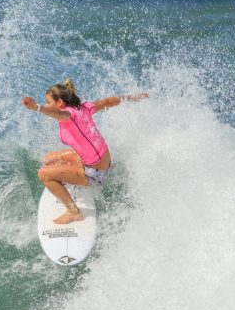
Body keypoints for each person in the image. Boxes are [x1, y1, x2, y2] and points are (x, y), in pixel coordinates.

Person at [21, 79, 148, 224]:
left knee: (44, 174)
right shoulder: (84, 108)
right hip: (104, 161)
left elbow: (58, 113)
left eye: (49, 102)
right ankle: (70, 176)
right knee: (49, 158)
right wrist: (129, 98)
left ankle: (73, 212)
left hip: (96, 174)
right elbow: (107, 101)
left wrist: (36, 107)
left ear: (60, 103)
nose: (47, 105)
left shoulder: (67, 115)